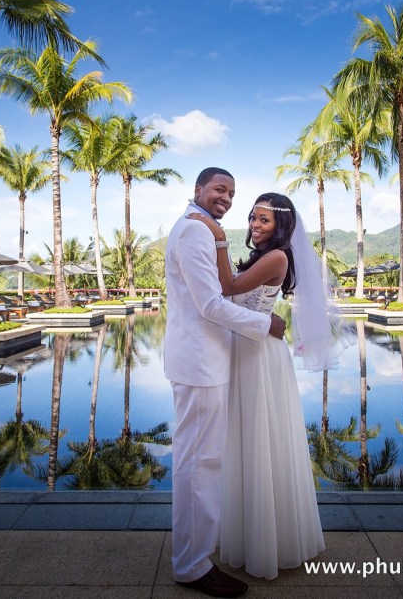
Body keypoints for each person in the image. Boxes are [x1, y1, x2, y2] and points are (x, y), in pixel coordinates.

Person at [190, 191, 344, 579]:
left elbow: (227, 287)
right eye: (253, 218)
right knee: (247, 439)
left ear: (281, 226)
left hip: (258, 355)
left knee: (261, 440)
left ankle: (267, 542)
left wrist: (216, 235)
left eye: (264, 220)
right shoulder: (265, 256)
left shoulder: (277, 256)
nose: (255, 226)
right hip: (248, 346)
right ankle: (250, 533)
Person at [164, 168, 287, 597]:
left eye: (232, 192)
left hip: (202, 361)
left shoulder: (202, 229)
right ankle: (193, 566)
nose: (227, 197)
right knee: (201, 463)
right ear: (198, 190)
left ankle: (192, 552)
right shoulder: (196, 231)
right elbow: (212, 304)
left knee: (198, 461)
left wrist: (219, 237)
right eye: (220, 189)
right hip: (201, 363)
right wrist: (264, 323)